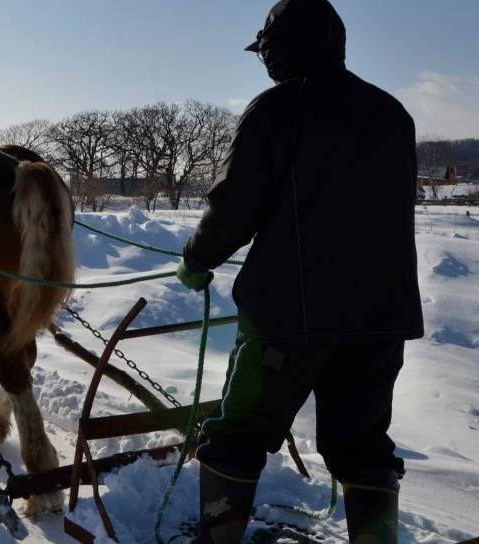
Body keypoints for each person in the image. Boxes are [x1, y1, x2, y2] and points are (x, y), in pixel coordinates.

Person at [174, 0, 423, 542]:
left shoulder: (274, 110)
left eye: (267, 51)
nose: (265, 63)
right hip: (381, 318)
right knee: (363, 449)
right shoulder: (392, 115)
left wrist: (196, 259)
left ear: (282, 50)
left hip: (287, 319)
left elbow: (236, 205)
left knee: (236, 434)